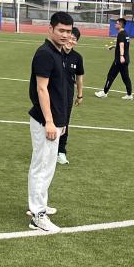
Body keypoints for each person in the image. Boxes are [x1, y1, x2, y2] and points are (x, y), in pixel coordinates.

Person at [28, 11, 75, 232]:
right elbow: (42, 89)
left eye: (68, 31)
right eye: (61, 30)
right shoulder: (45, 54)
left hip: (56, 119)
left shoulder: (59, 53)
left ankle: (40, 205)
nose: (65, 35)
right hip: (45, 120)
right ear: (50, 29)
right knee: (42, 166)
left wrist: (61, 121)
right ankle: (37, 215)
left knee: (47, 166)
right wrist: (49, 121)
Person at [58, 26, 85, 166]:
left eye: (74, 39)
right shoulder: (56, 53)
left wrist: (80, 95)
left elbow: (79, 78)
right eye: (70, 37)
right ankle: (47, 149)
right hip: (52, 94)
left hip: (68, 95)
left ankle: (61, 151)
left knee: (64, 123)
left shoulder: (77, 58)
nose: (71, 41)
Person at [95, 16, 133, 100]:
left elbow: (122, 45)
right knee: (125, 78)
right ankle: (129, 95)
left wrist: (121, 56)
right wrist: (113, 46)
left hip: (119, 60)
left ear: (120, 25)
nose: (115, 24)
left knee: (110, 76)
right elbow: (123, 46)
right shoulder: (125, 34)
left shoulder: (120, 34)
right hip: (126, 60)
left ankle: (104, 92)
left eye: (116, 23)